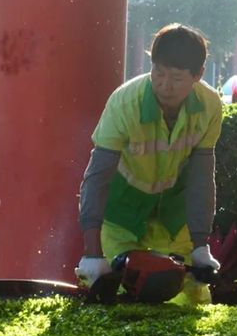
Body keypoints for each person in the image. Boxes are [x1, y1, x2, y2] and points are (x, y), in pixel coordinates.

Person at [76, 23, 222, 306]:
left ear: (198, 75)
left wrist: (201, 244)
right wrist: (93, 255)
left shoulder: (210, 106)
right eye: (159, 73)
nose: (165, 85)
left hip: (173, 213)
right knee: (117, 297)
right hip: (122, 212)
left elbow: (202, 177)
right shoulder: (123, 103)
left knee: (191, 297)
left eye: (177, 78)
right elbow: (97, 177)